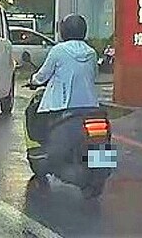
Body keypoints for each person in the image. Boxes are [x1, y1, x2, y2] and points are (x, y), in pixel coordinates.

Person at [25, 14, 99, 183]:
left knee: (34, 114)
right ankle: (98, 163)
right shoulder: (91, 52)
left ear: (64, 31)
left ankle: (43, 158)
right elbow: (93, 74)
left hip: (62, 107)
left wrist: (33, 81)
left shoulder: (58, 50)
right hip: (91, 108)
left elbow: (42, 75)